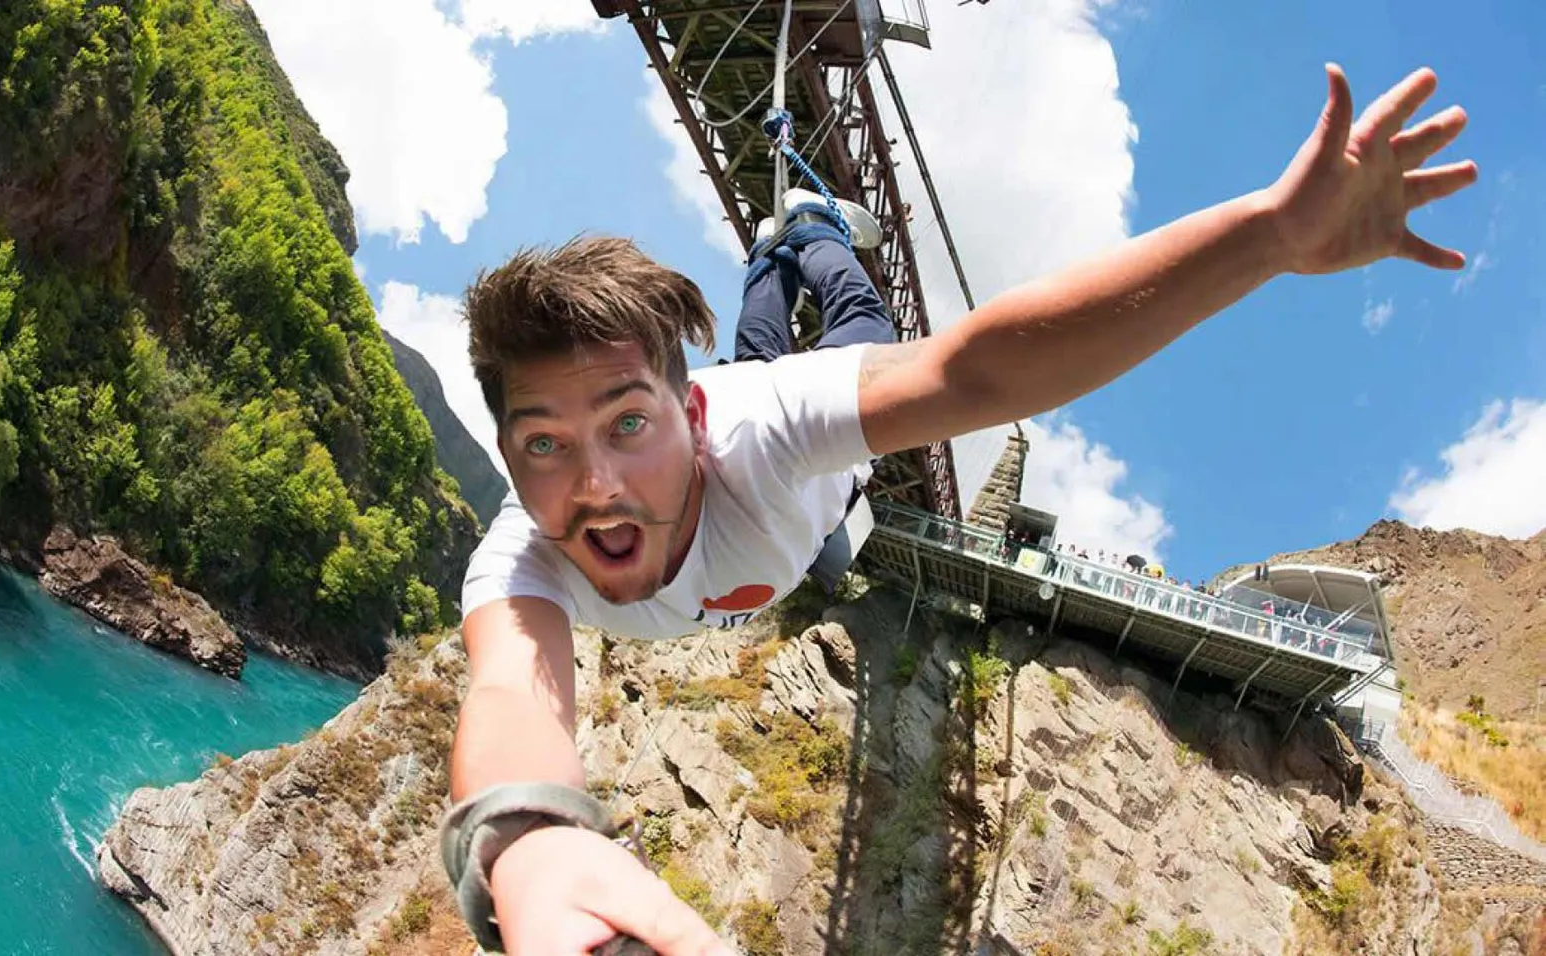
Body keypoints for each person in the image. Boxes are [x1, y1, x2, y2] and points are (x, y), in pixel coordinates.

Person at [440, 64, 1475, 956]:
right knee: (758, 333)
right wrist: (530, 837)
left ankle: (807, 233)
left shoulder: (764, 428)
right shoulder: (518, 559)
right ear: (507, 452)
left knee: (853, 319)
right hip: (757, 454)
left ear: (688, 412)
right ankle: (771, 251)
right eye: (544, 444)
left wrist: (1265, 236)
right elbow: (512, 697)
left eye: (625, 424)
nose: (596, 487)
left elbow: (974, 371)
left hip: (795, 448)